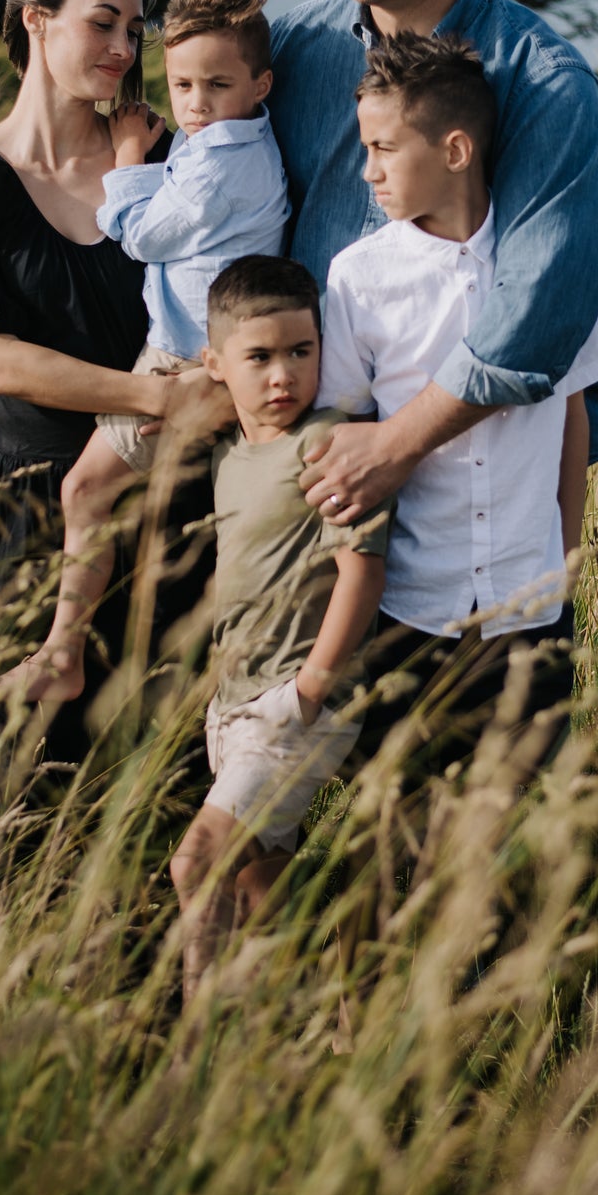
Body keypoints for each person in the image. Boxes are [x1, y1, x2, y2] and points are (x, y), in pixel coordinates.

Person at [261, 0, 598, 537]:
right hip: (310, 462)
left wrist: (394, 444)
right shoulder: (294, 49)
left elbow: (543, 308)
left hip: (477, 472)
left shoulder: (543, 80)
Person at [0, 0, 227, 751]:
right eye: (102, 21)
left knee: (165, 772)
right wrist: (157, 396)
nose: (125, 48)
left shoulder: (160, 159)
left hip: (177, 502)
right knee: (28, 772)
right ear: (35, 18)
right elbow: (3, 362)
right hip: (35, 515)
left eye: (134, 28)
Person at [0, 0, 289, 708]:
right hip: (193, 357)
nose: (193, 104)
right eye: (182, 85)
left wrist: (126, 161)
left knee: (86, 489)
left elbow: (144, 237)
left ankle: (62, 654)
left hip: (188, 359)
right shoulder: (215, 147)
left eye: (215, 86)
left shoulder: (212, 162)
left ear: (260, 86)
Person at [318, 33, 598, 776]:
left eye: (385, 148)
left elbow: (571, 415)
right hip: (409, 609)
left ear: (455, 151)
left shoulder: (545, 267)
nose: (369, 171)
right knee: (405, 830)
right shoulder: (358, 277)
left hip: (533, 607)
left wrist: (566, 562)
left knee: (513, 832)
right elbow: (340, 434)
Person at [169, 256, 392, 1006]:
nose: (282, 376)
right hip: (232, 704)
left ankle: (195, 1050)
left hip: (293, 707)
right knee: (258, 886)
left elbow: (361, 569)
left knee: (196, 862)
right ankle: (325, 1020)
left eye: (301, 352)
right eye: (258, 357)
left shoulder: (326, 445)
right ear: (215, 364)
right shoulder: (231, 457)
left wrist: (311, 688)